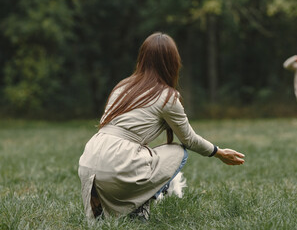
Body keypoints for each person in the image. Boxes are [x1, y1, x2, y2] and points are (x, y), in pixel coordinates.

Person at [78, 32, 245, 221]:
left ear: (142, 59)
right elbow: (189, 139)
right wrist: (218, 152)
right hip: (118, 164)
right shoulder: (167, 96)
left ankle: (101, 209)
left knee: (142, 155)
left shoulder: (122, 86)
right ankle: (138, 209)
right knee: (179, 152)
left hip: (89, 161)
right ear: (173, 63)